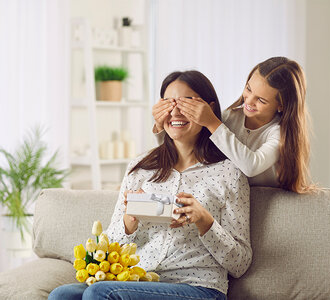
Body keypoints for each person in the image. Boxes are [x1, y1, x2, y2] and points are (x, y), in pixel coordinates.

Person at [48, 70, 252, 300]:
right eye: (168, 103)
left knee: (99, 293)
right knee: (62, 295)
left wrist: (205, 221)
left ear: (208, 108)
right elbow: (110, 244)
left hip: (198, 288)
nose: (175, 112)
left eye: (186, 103)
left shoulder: (229, 173)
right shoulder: (141, 168)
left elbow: (240, 263)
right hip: (139, 280)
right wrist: (128, 223)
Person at [152, 57, 314, 193]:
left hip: (262, 199)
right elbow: (186, 149)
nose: (248, 101)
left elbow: (251, 166)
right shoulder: (231, 117)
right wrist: (161, 127)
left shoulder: (278, 133)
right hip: (231, 194)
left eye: (261, 100)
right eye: (248, 89)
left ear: (281, 106)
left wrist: (211, 121)